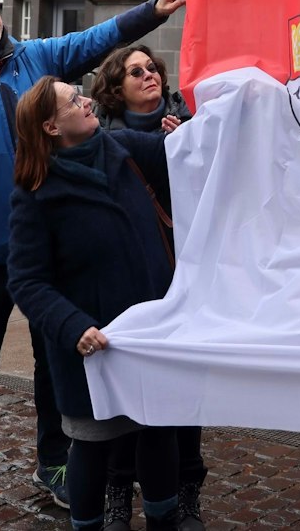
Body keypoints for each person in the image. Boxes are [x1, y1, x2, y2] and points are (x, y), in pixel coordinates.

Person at [0, 0, 185, 525]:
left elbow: (96, 39)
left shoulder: (34, 57)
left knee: (53, 362)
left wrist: (152, 11)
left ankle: (53, 462)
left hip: (54, 253)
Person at [8, 77, 188, 531]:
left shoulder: (124, 148)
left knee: (158, 433)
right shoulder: (35, 191)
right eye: (74, 99)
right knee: (91, 443)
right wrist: (74, 327)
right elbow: (27, 281)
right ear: (51, 127)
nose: (87, 100)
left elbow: (192, 157)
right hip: (93, 347)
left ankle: (163, 520)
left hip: (150, 334)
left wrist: (199, 124)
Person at [90, 43, 203, 531]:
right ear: (117, 88)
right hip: (125, 273)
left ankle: (187, 489)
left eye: (152, 68)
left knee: (185, 387)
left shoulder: (190, 123)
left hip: (182, 269)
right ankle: (118, 491)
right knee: (125, 387)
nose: (148, 75)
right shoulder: (98, 134)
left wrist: (189, 148)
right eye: (135, 72)